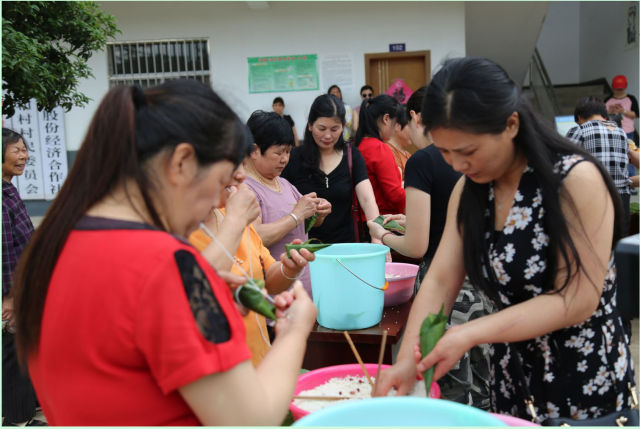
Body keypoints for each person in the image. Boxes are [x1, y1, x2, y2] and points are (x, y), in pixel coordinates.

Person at [11, 80, 317, 426]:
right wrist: (294, 330)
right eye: (220, 184)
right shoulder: (168, 265)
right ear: (182, 162)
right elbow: (250, 419)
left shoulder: (57, 242)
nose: (220, 202)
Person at [374, 57, 636, 423]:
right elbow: (439, 279)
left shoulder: (576, 180)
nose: (456, 165)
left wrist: (467, 334)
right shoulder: (472, 189)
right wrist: (407, 359)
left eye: (467, 151)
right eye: (445, 151)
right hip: (512, 377)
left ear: (511, 125)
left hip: (582, 375)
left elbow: (576, 298)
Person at [367, 88, 492, 410]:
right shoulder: (477, 162)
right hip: (484, 289)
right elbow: (450, 224)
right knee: (485, 384)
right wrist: (408, 222)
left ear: (415, 117)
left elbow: (419, 245)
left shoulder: (422, 161)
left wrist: (382, 234)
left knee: (448, 389)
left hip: (448, 292)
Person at [189, 166, 316, 367]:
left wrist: (289, 268)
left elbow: (267, 279)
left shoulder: (230, 213)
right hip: (221, 369)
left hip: (259, 359)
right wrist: (236, 220)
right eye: (231, 163)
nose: (241, 175)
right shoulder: (181, 232)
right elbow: (199, 290)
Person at [243, 111, 331, 297]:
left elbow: (307, 223)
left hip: (303, 289)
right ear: (254, 150)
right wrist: (297, 215)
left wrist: (318, 212)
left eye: (288, 152)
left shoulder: (283, 183)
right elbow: (254, 237)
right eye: (278, 152)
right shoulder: (245, 189)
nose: (285, 159)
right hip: (277, 297)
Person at [281, 94, 381, 244]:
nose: (328, 136)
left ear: (343, 126)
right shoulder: (294, 158)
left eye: (335, 129)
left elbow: (367, 200)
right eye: (321, 128)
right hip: (305, 249)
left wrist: (377, 237)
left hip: (346, 246)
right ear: (310, 125)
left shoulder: (352, 156)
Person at [2, 129, 44, 427]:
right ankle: (17, 420)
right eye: (16, 150)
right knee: (13, 356)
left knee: (23, 351)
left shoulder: (8, 189)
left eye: (24, 150)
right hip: (11, 293)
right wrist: (9, 297)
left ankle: (27, 412)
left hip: (21, 288)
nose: (24, 156)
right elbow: (3, 248)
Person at [566, 96, 631, 235]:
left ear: (579, 118)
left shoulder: (579, 130)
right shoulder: (622, 133)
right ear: (604, 115)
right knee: (618, 244)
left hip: (596, 197)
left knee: (596, 243)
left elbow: (564, 163)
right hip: (622, 199)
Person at [354, 94, 406, 215]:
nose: (395, 129)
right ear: (386, 119)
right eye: (396, 123)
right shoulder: (378, 148)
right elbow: (394, 195)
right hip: (384, 220)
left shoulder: (360, 145)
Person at [605, 74, 638, 143]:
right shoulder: (607, 100)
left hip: (628, 132)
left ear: (625, 87)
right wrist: (609, 112)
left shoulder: (631, 98)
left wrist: (623, 111)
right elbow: (600, 116)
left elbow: (636, 115)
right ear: (613, 87)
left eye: (621, 89)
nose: (619, 91)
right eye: (617, 89)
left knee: (629, 152)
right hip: (610, 132)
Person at [385, 102, 412, 182]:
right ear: (397, 126)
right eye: (410, 125)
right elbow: (397, 186)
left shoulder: (407, 154)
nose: (413, 130)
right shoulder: (388, 151)